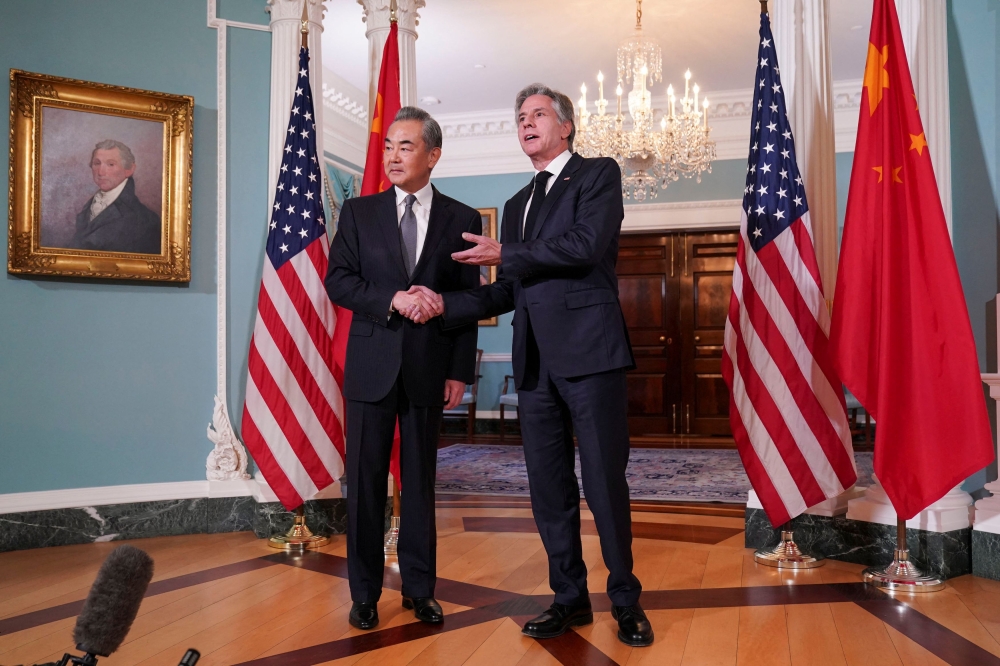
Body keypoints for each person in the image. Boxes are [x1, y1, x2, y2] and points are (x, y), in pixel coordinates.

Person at [412, 84, 653, 647]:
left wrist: (505, 254)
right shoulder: (518, 204)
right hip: (535, 366)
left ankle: (625, 602)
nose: (526, 123)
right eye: (520, 116)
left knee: (603, 484)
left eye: (538, 114)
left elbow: (584, 246)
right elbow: (508, 289)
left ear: (566, 126)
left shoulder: (598, 175)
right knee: (548, 490)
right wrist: (446, 302)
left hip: (591, 357)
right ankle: (568, 598)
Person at [324, 106, 481, 631]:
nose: (392, 155)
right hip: (370, 368)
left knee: (419, 486)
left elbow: (467, 300)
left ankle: (420, 589)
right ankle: (364, 594)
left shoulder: (462, 219)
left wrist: (460, 370)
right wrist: (393, 297)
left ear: (433, 155)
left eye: (406, 146)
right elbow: (339, 281)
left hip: (428, 368)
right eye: (389, 145)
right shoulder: (359, 213)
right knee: (365, 486)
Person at [70, 139, 161, 254]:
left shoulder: (146, 219)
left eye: (110, 164)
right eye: (97, 163)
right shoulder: (89, 206)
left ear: (129, 170)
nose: (100, 172)